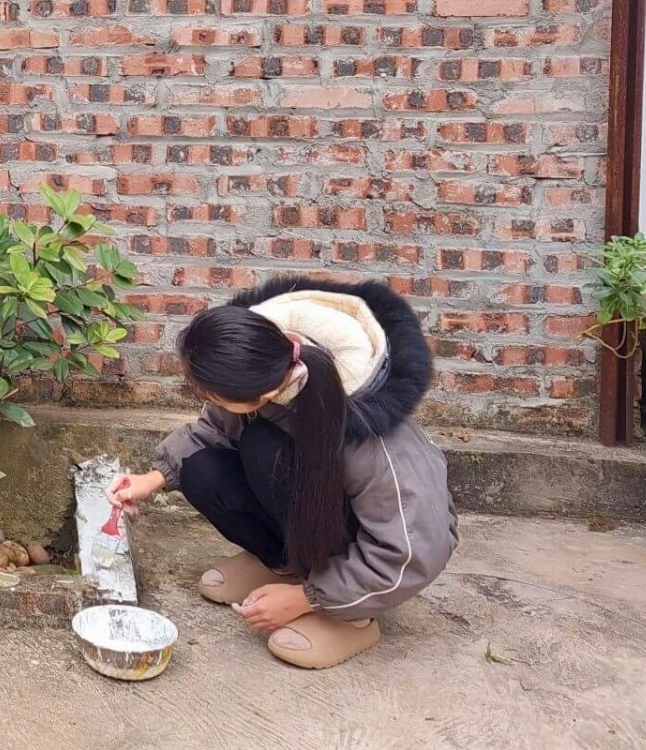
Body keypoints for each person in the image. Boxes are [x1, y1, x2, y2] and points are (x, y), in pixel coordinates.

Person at [109, 276, 458, 670]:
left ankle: (352, 617)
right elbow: (214, 429)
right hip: (315, 514)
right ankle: (285, 567)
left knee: (265, 449)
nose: (205, 401)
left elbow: (411, 551)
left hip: (374, 550)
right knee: (204, 469)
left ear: (260, 394)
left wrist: (307, 599)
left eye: (210, 394)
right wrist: (151, 480)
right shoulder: (270, 365)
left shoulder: (373, 437)